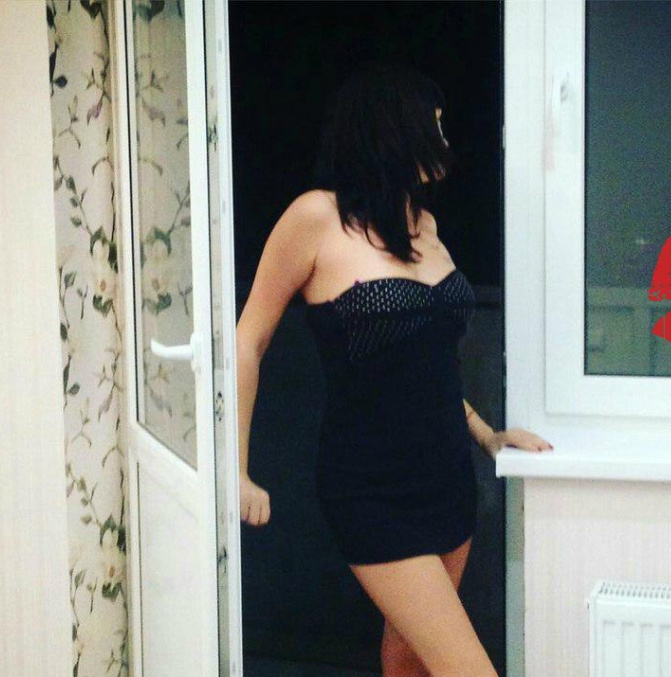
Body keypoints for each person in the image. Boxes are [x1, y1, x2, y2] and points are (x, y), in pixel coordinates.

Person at [234, 61, 552, 677]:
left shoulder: (425, 226)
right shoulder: (317, 218)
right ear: (393, 130)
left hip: (448, 479)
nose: (446, 142)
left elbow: (424, 366)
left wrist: (487, 436)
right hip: (371, 488)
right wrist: (236, 470)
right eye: (435, 126)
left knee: (407, 662)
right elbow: (249, 341)